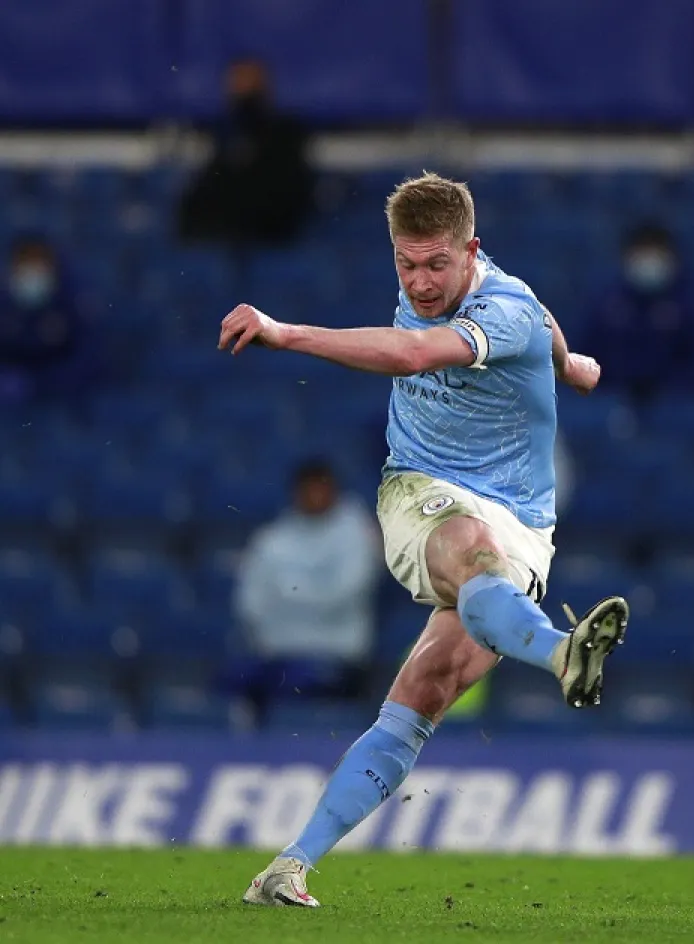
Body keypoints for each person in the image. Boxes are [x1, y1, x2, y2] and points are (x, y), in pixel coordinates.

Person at [217, 172, 627, 907]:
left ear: (473, 252)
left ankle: (287, 867)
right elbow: (538, 315)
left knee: (421, 697)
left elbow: (421, 352)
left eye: (437, 264)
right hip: (421, 491)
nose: (421, 282)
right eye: (406, 265)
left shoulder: (502, 308)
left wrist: (284, 332)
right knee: (471, 552)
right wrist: (571, 364)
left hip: (526, 528)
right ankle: (564, 654)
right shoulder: (469, 286)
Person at [228, 460, 382, 721]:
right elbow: (250, 604)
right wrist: (309, 598)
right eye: (307, 489)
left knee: (302, 685)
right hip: (277, 657)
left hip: (339, 659)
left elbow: (343, 596)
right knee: (232, 679)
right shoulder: (272, 539)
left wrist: (286, 599)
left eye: (320, 488)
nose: (314, 496)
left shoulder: (357, 534)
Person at [576, 223, 694, 404]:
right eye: (642, 251)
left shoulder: (690, 306)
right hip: (615, 401)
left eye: (655, 251)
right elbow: (585, 359)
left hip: (676, 403)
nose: (648, 260)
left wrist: (668, 391)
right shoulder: (607, 305)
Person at [178, 58, 315, 247]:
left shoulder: (286, 132)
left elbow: (289, 192)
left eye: (249, 81)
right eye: (237, 81)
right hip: (221, 234)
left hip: (269, 233)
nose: (241, 88)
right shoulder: (220, 134)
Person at [0, 236, 95, 405]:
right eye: (25, 265)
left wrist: (40, 385)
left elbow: (86, 357)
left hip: (60, 400)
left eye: (38, 267)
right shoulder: (4, 307)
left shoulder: (70, 306)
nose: (31, 275)